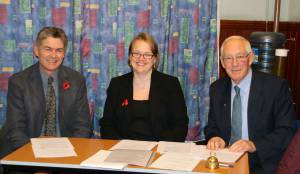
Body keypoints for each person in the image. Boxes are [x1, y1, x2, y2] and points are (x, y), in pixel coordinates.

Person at [204, 35, 296, 174]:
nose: (234, 64)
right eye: (228, 58)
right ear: (222, 63)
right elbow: (212, 127)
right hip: (225, 160)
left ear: (251, 58)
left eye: (240, 56)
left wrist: (253, 145)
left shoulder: (275, 87)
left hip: (262, 161)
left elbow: (287, 130)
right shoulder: (217, 89)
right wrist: (216, 138)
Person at [0, 26, 92, 159]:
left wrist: (69, 160)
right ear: (36, 50)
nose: (53, 55)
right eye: (48, 49)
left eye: (59, 50)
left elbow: (83, 127)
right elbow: (16, 130)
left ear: (64, 53)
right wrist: (38, 162)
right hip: (28, 151)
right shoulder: (19, 82)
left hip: (67, 153)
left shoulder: (77, 81)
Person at [100, 32, 188, 142]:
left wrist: (160, 149)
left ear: (155, 59)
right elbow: (107, 125)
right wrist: (120, 146)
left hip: (160, 150)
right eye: (136, 53)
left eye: (147, 54)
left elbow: (180, 126)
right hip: (124, 150)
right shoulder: (117, 85)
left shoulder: (170, 84)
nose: (141, 58)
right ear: (130, 57)